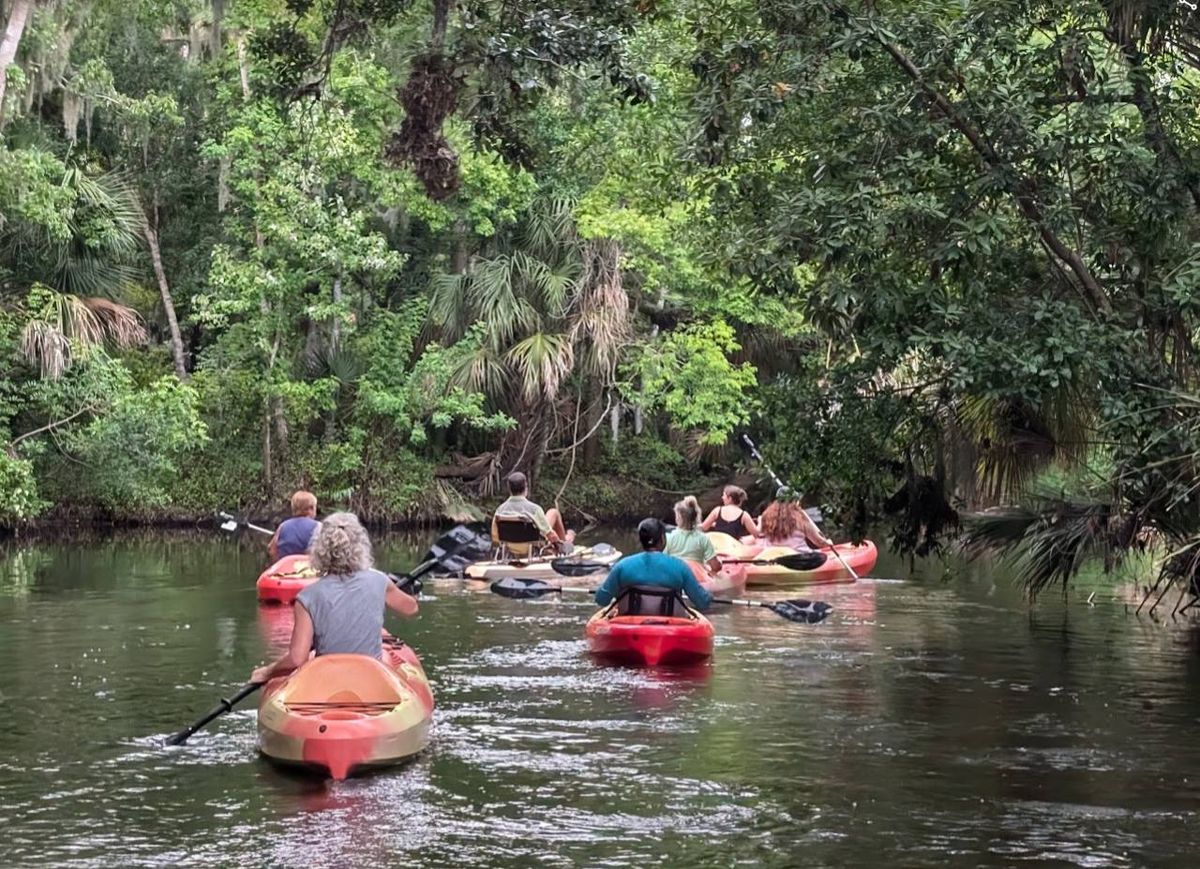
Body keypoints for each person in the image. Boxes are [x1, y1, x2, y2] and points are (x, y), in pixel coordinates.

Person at [251, 512, 418, 683]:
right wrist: (406, 589)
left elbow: (296, 659)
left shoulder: (307, 596)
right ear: (361, 546)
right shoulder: (380, 580)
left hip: (329, 680)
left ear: (319, 550)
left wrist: (267, 672)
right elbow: (411, 608)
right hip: (371, 678)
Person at [595, 518, 712, 612]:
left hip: (631, 629)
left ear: (641, 540)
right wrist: (709, 596)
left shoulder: (622, 566)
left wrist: (616, 592)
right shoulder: (680, 567)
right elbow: (702, 602)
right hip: (670, 630)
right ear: (662, 539)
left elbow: (601, 600)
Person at [494, 471, 575, 553]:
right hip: (532, 546)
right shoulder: (534, 509)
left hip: (510, 546)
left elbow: (495, 536)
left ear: (509, 489)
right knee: (553, 512)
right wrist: (558, 543)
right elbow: (550, 535)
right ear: (526, 487)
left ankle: (567, 538)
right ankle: (565, 545)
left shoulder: (500, 510)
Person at [664, 496, 723, 575]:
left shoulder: (668, 538)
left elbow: (662, 563)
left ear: (678, 518)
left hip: (675, 578)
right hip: (696, 580)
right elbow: (715, 567)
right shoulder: (703, 538)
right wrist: (720, 563)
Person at [758, 497, 833, 551]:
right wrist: (828, 543)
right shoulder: (799, 517)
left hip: (773, 559)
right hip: (798, 559)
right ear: (794, 502)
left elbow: (759, 536)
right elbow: (819, 542)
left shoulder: (766, 517)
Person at [268, 490, 320, 561]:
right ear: (311, 508)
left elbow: (271, 549)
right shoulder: (319, 526)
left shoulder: (283, 526)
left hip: (286, 567)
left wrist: (279, 562)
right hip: (307, 567)